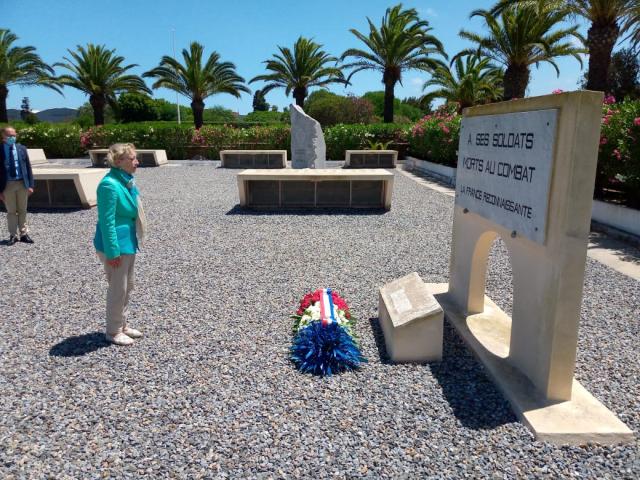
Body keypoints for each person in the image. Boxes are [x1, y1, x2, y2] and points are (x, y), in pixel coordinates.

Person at [94, 143, 147, 346]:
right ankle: (113, 331)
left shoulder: (125, 181)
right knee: (118, 288)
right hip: (116, 245)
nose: (136, 162)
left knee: (127, 286)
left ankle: (122, 324)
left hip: (128, 242)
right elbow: (107, 221)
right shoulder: (109, 185)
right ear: (118, 162)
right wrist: (112, 251)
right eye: (132, 158)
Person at [0, 126, 34, 245]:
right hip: (7, 185)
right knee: (11, 211)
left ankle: (24, 234)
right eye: (9, 136)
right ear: (3, 137)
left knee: (22, 210)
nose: (12, 138)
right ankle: (13, 235)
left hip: (22, 183)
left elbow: (28, 168)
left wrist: (30, 185)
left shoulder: (21, 149)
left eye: (14, 135)